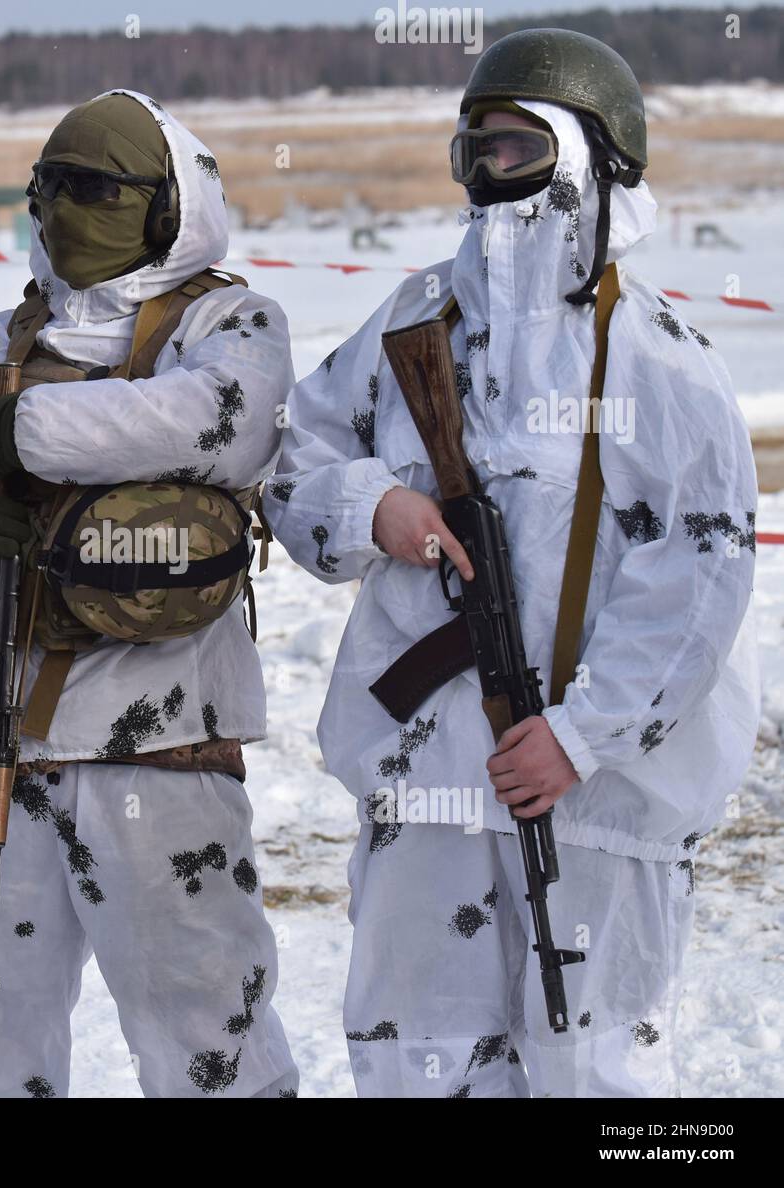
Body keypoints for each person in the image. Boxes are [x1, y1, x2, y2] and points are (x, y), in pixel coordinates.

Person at [264, 29, 759, 1097]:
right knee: (413, 1055)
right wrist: (372, 505)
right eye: (474, 149)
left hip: (589, 801)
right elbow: (294, 452)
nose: (491, 176)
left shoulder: (658, 359)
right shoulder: (413, 323)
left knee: (590, 1065)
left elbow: (700, 577)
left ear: (589, 162)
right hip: (426, 785)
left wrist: (580, 737)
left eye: (518, 149)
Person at [0, 89, 299, 1098]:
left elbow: (218, 423)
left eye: (95, 190)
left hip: (159, 754)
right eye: (49, 188)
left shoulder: (228, 324)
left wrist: (19, 434)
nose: (64, 212)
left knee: (207, 1033)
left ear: (166, 207)